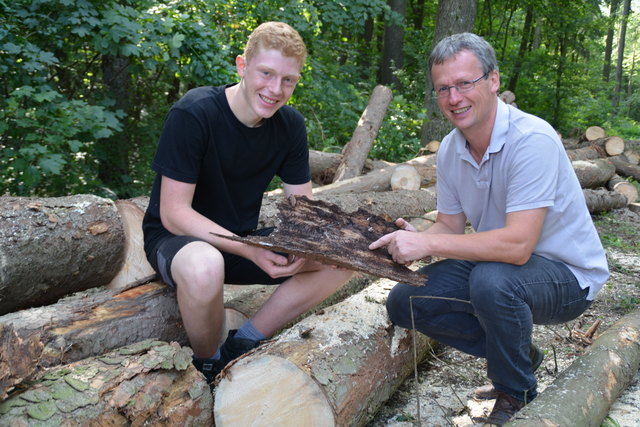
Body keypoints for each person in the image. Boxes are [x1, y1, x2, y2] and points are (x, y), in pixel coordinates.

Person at [369, 32, 609, 426]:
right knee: (404, 302)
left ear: (493, 80)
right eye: (443, 88)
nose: (454, 98)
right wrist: (411, 236)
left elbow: (517, 247)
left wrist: (427, 241)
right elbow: (449, 225)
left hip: (566, 276)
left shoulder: (531, 141)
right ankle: (516, 355)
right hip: (497, 264)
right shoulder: (450, 149)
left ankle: (516, 391)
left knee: (493, 280)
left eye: (465, 83)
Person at [143, 21, 354, 387]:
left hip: (243, 241)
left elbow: (304, 212)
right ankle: (208, 366)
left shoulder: (289, 126)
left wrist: (315, 243)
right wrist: (251, 251)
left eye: (288, 80)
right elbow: (174, 213)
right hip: (178, 243)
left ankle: (243, 342)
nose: (275, 89)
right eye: (266, 74)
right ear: (242, 66)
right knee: (205, 265)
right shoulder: (194, 113)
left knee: (346, 252)